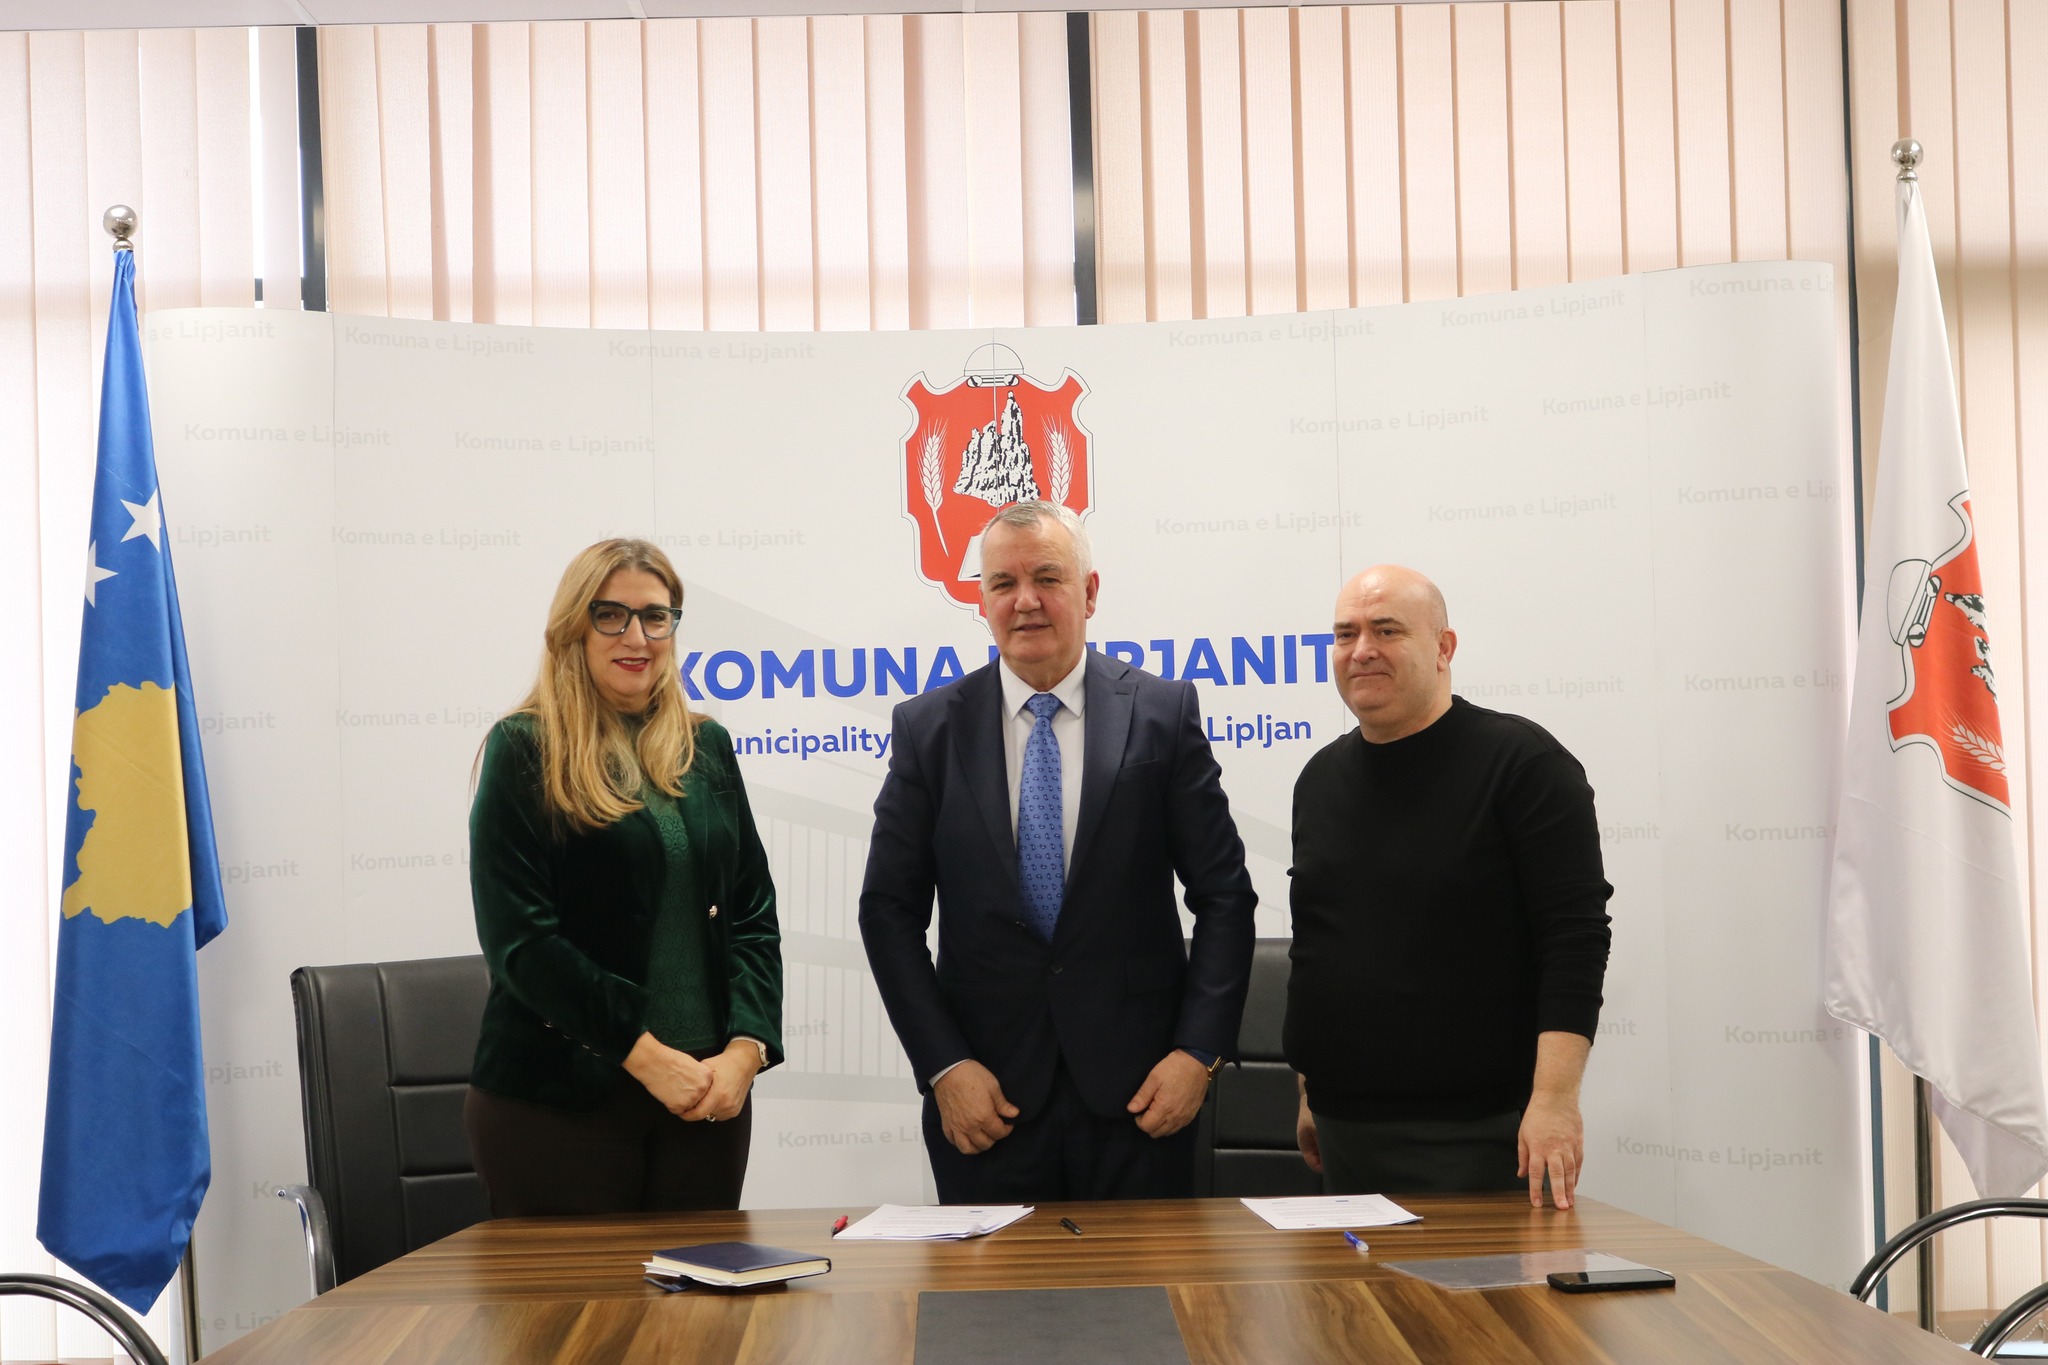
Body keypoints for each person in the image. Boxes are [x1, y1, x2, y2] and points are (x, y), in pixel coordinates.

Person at [859, 501, 1257, 1202]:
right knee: (994, 1281)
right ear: (981, 601)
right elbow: (888, 911)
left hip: (1143, 1099)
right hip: (987, 1102)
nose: (1026, 601)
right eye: (1003, 583)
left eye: (1048, 577)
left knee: (1144, 1281)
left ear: (1090, 591)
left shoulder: (1161, 714)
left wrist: (1198, 1053)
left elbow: (1224, 896)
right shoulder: (928, 731)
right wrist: (944, 1065)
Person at [464, 538, 783, 1216]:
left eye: (655, 616)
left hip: (706, 1097)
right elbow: (522, 942)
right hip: (559, 1104)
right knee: (582, 1296)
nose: (636, 637)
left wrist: (746, 1049)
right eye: (610, 615)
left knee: (702, 1290)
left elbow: (752, 912)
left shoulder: (707, 747)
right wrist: (643, 1055)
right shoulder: (523, 748)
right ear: (572, 627)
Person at [1286, 565, 1612, 1209]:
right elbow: (1318, 946)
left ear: (1444, 648)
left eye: (1387, 630)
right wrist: (1307, 1092)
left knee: (1485, 1286)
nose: (1362, 650)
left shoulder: (1524, 765)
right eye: (1346, 633)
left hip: (1485, 1136)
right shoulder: (1319, 778)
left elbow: (1574, 940)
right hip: (1344, 1131)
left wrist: (1554, 1102)